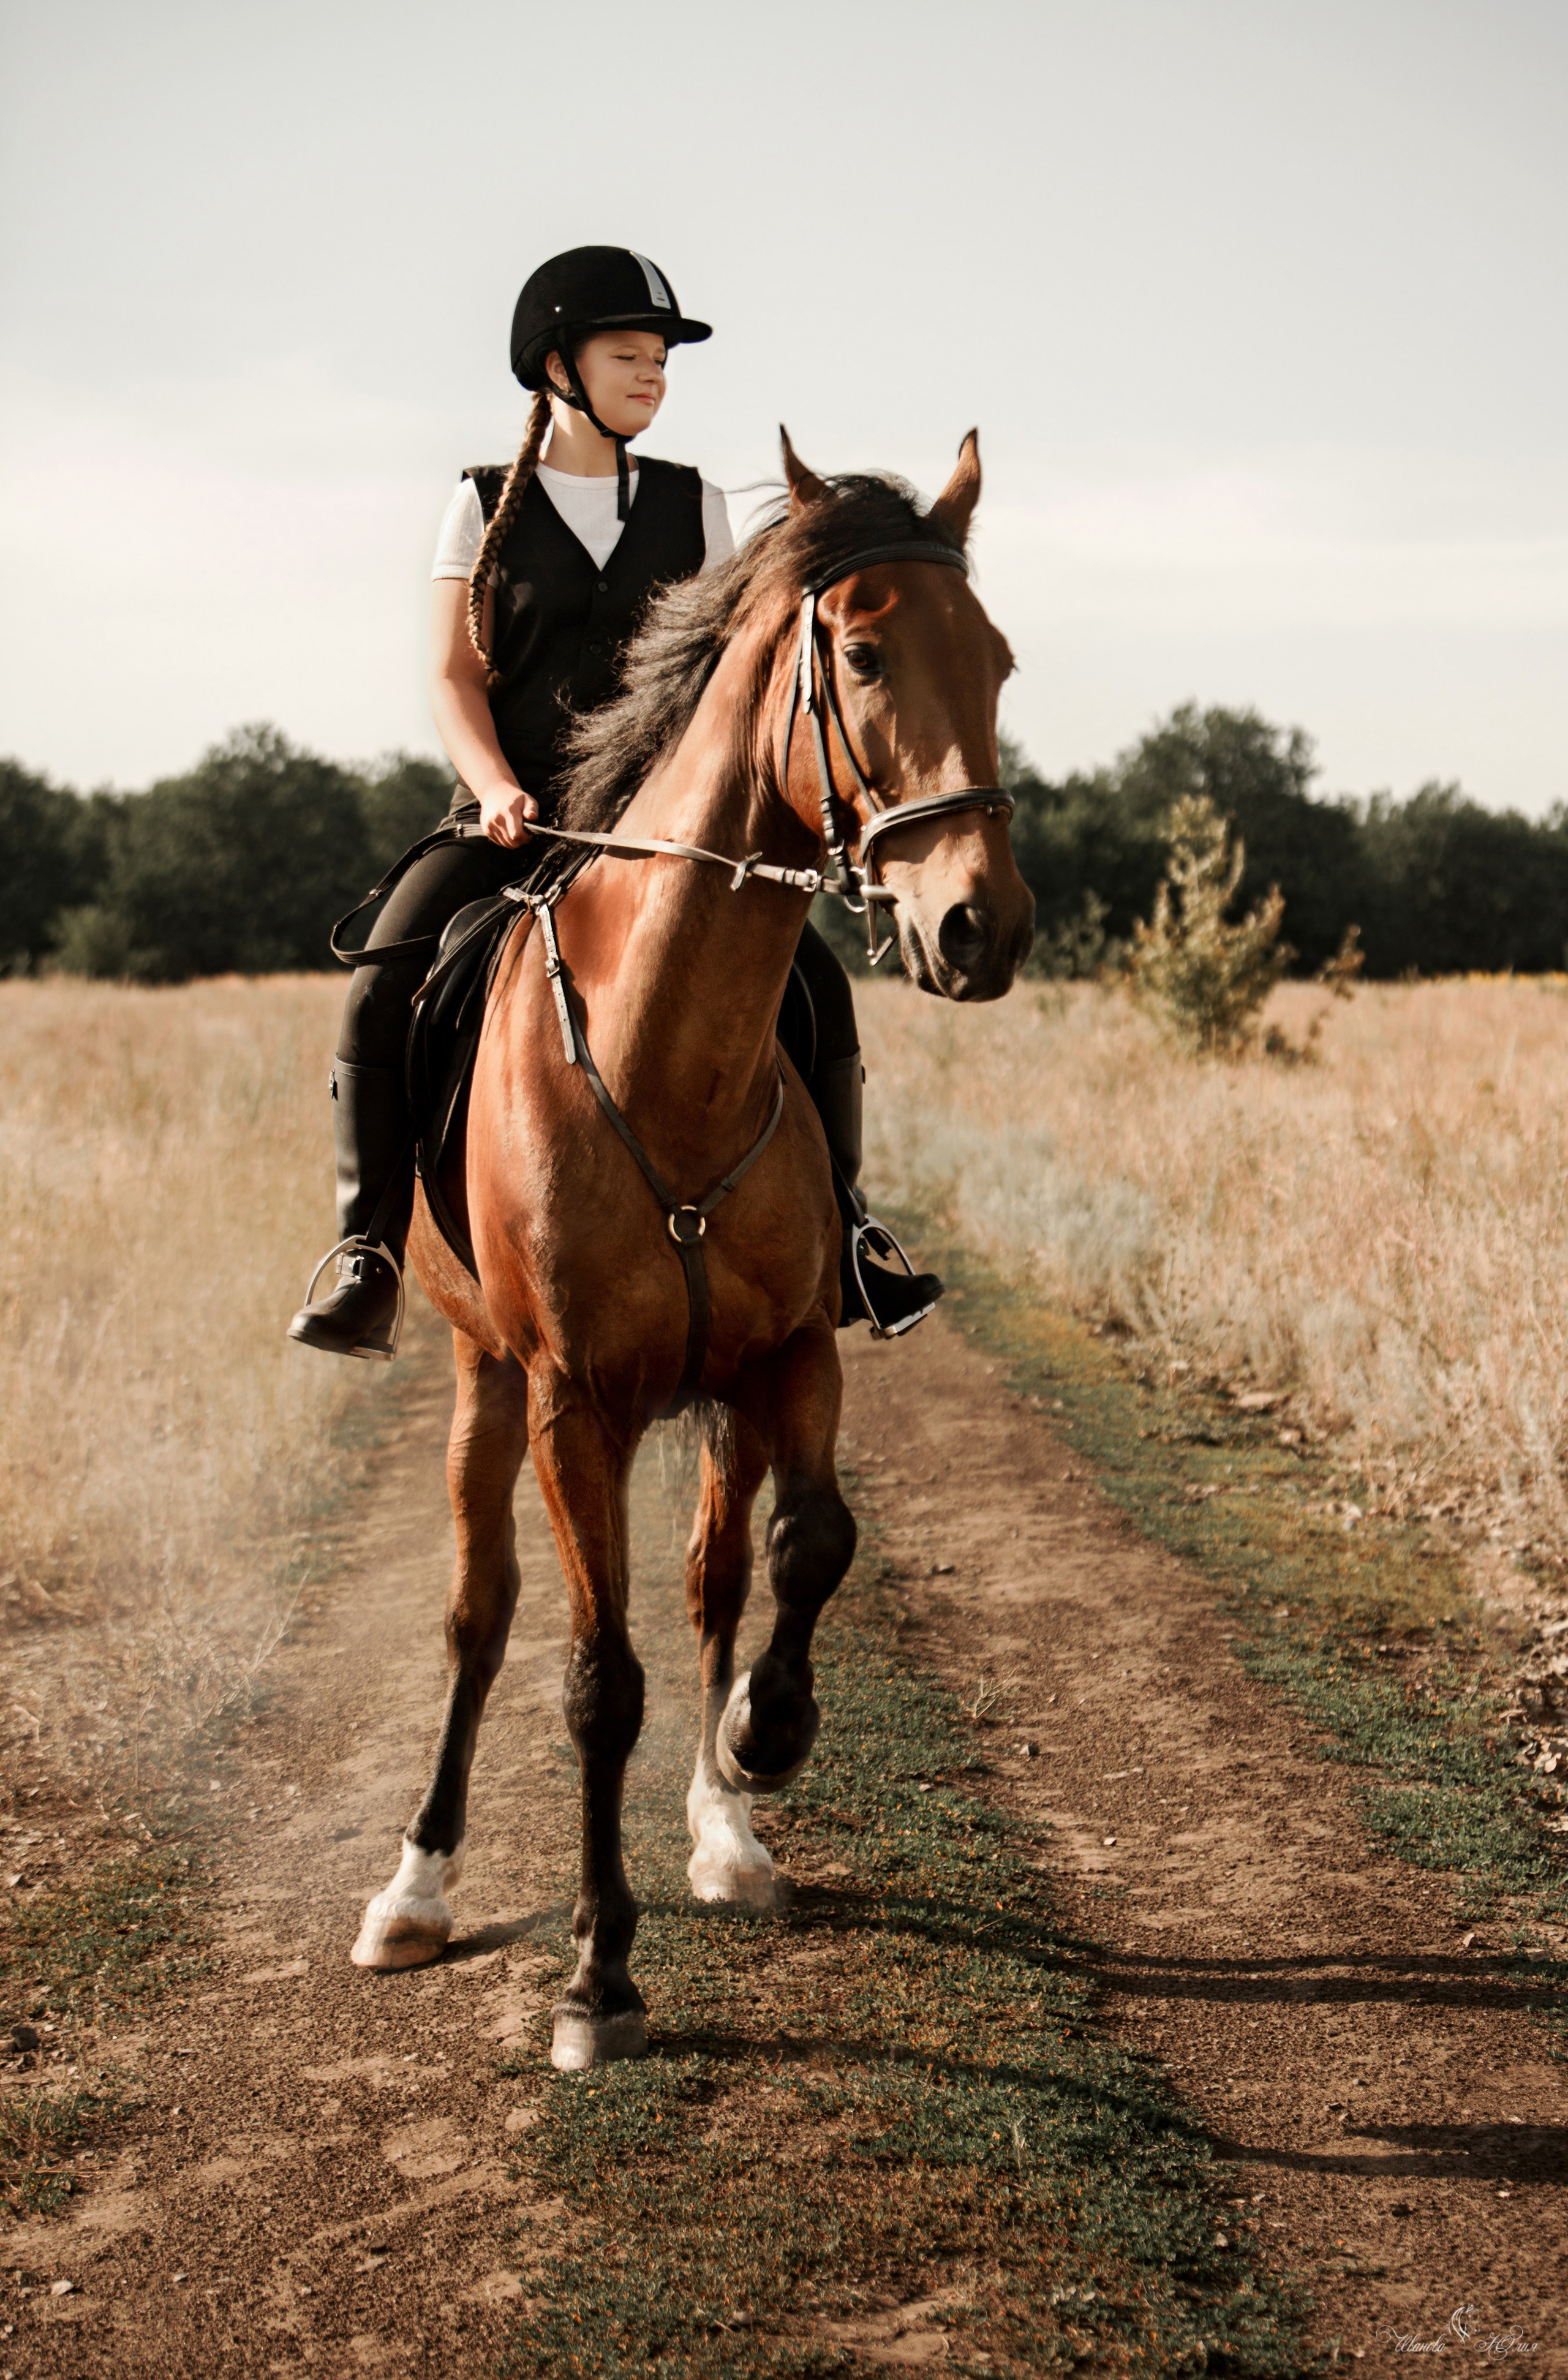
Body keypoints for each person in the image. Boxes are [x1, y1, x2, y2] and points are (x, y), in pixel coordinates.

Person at [288, 244, 941, 1363]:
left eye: (662, 359)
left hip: (661, 839)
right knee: (383, 977)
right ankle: (368, 1250)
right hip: (513, 820)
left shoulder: (695, 508)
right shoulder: (480, 503)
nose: (653, 376)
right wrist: (493, 785)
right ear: (556, 365)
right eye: (629, 354)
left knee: (819, 988)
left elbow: (729, 691)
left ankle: (849, 1239)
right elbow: (452, 675)